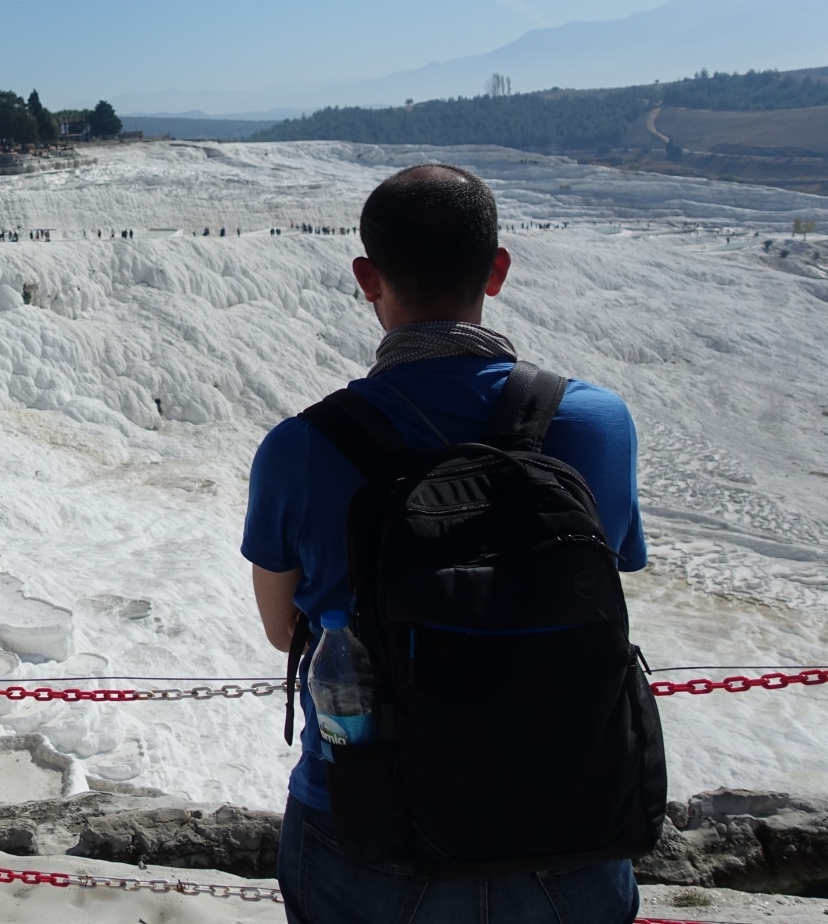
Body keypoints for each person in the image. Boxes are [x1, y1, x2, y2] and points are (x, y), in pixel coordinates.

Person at [241, 164, 648, 924]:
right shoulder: (597, 424)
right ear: (497, 270)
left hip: (368, 825)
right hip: (569, 818)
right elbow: (607, 575)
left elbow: (282, 627)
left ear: (367, 278)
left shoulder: (301, 448)